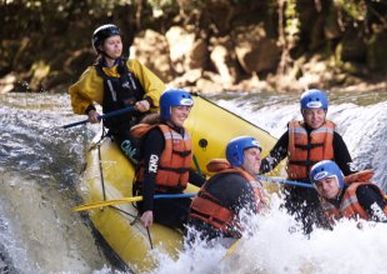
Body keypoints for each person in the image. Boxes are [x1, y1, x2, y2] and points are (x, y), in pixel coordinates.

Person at [259, 88, 356, 233]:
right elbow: (272, 160)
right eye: (310, 112)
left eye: (319, 112)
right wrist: (251, 168)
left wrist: (360, 184)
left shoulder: (334, 138)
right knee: (290, 231)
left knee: (316, 231)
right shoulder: (291, 135)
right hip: (295, 191)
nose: (315, 117)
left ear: (325, 112)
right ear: (303, 113)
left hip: (322, 193)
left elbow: (348, 169)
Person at [68, 24, 165, 163]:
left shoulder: (133, 66)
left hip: (146, 118)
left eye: (118, 42)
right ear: (101, 47)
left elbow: (157, 87)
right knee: (141, 159)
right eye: (111, 43)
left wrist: (148, 101)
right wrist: (90, 111)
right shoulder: (93, 75)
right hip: (121, 129)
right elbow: (76, 94)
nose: (117, 46)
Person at [130, 89, 205, 231]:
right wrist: (147, 209)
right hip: (155, 198)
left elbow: (184, 171)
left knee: (204, 215)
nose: (185, 113)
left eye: (187, 109)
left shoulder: (182, 133)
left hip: (174, 196)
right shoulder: (156, 136)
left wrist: (208, 185)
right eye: (180, 108)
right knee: (193, 222)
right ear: (167, 109)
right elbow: (150, 173)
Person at [186, 136, 267, 244]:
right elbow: (255, 226)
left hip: (205, 242)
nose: (258, 159)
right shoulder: (236, 182)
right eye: (253, 154)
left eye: (259, 154)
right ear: (237, 156)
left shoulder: (235, 177)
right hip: (208, 245)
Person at [309, 160, 387, 227]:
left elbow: (385, 225)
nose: (325, 187)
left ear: (338, 179)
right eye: (319, 185)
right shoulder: (325, 204)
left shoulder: (362, 191)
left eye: (328, 181)